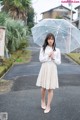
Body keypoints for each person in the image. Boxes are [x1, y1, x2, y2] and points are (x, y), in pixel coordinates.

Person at [36, 33, 61, 113]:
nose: (50, 40)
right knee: (43, 88)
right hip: (45, 68)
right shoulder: (43, 49)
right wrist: (48, 56)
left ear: (54, 40)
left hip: (52, 69)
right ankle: (42, 100)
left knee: (50, 88)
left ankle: (48, 106)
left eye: (52, 39)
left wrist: (53, 57)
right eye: (49, 39)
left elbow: (59, 62)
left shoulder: (57, 50)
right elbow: (41, 60)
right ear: (47, 40)